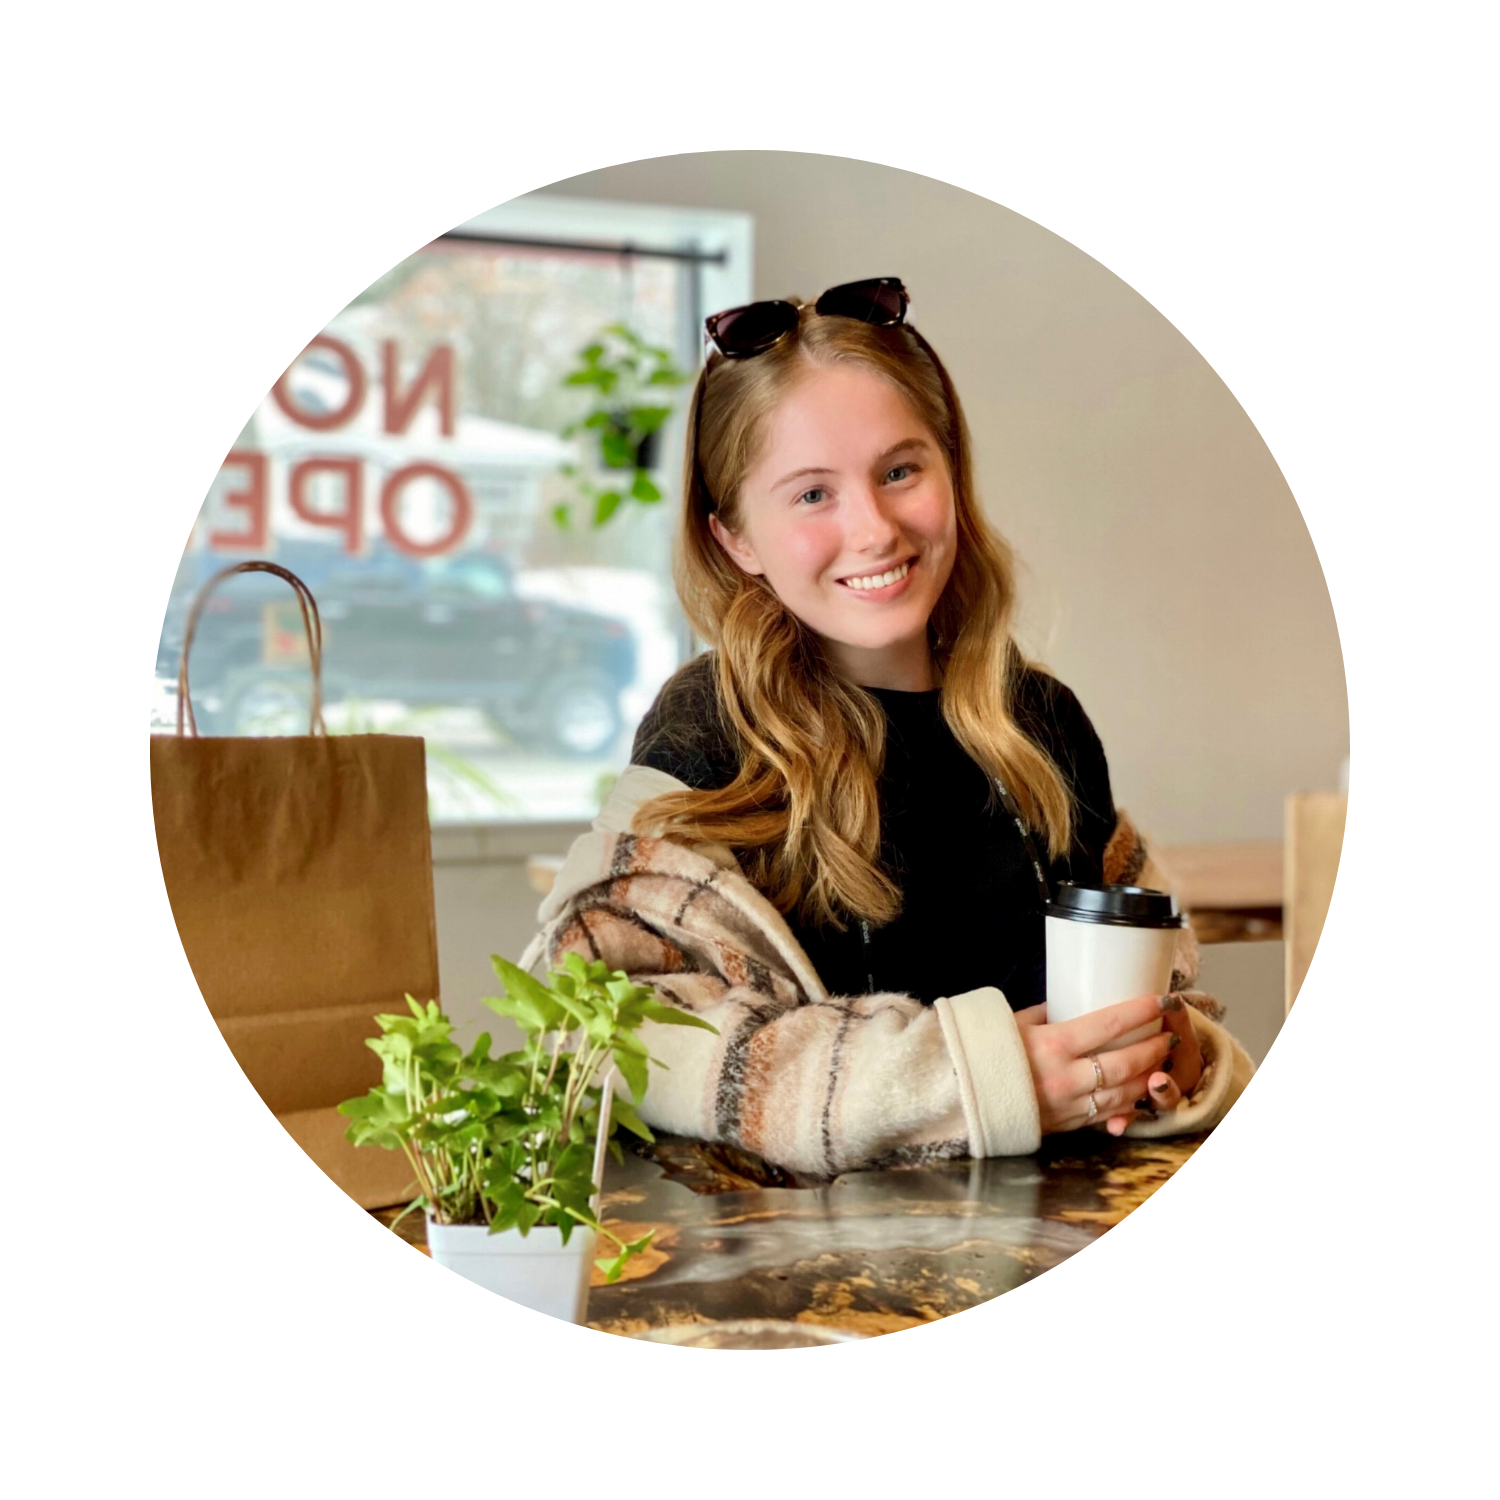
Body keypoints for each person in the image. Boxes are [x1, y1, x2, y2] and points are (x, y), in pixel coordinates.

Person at [522, 278, 1254, 1177]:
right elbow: (607, 1019)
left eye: (900, 471)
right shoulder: (709, 730)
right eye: (811, 495)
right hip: (809, 1292)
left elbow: (1162, 997)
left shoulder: (1042, 724)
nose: (872, 528)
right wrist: (986, 1080)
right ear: (734, 539)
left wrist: (1168, 1056)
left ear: (952, 472)